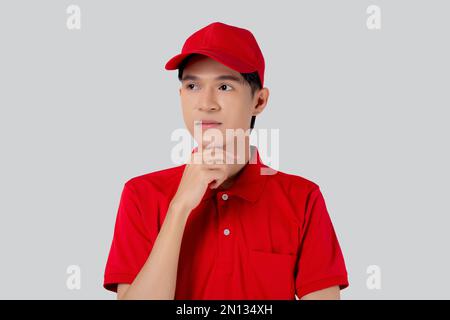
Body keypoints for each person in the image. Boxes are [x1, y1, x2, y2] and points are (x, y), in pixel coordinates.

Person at [103, 21, 349, 300]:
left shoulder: (303, 199)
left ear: (259, 101)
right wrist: (179, 207)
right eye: (193, 85)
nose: (206, 103)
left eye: (224, 86)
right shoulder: (141, 194)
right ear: (180, 95)